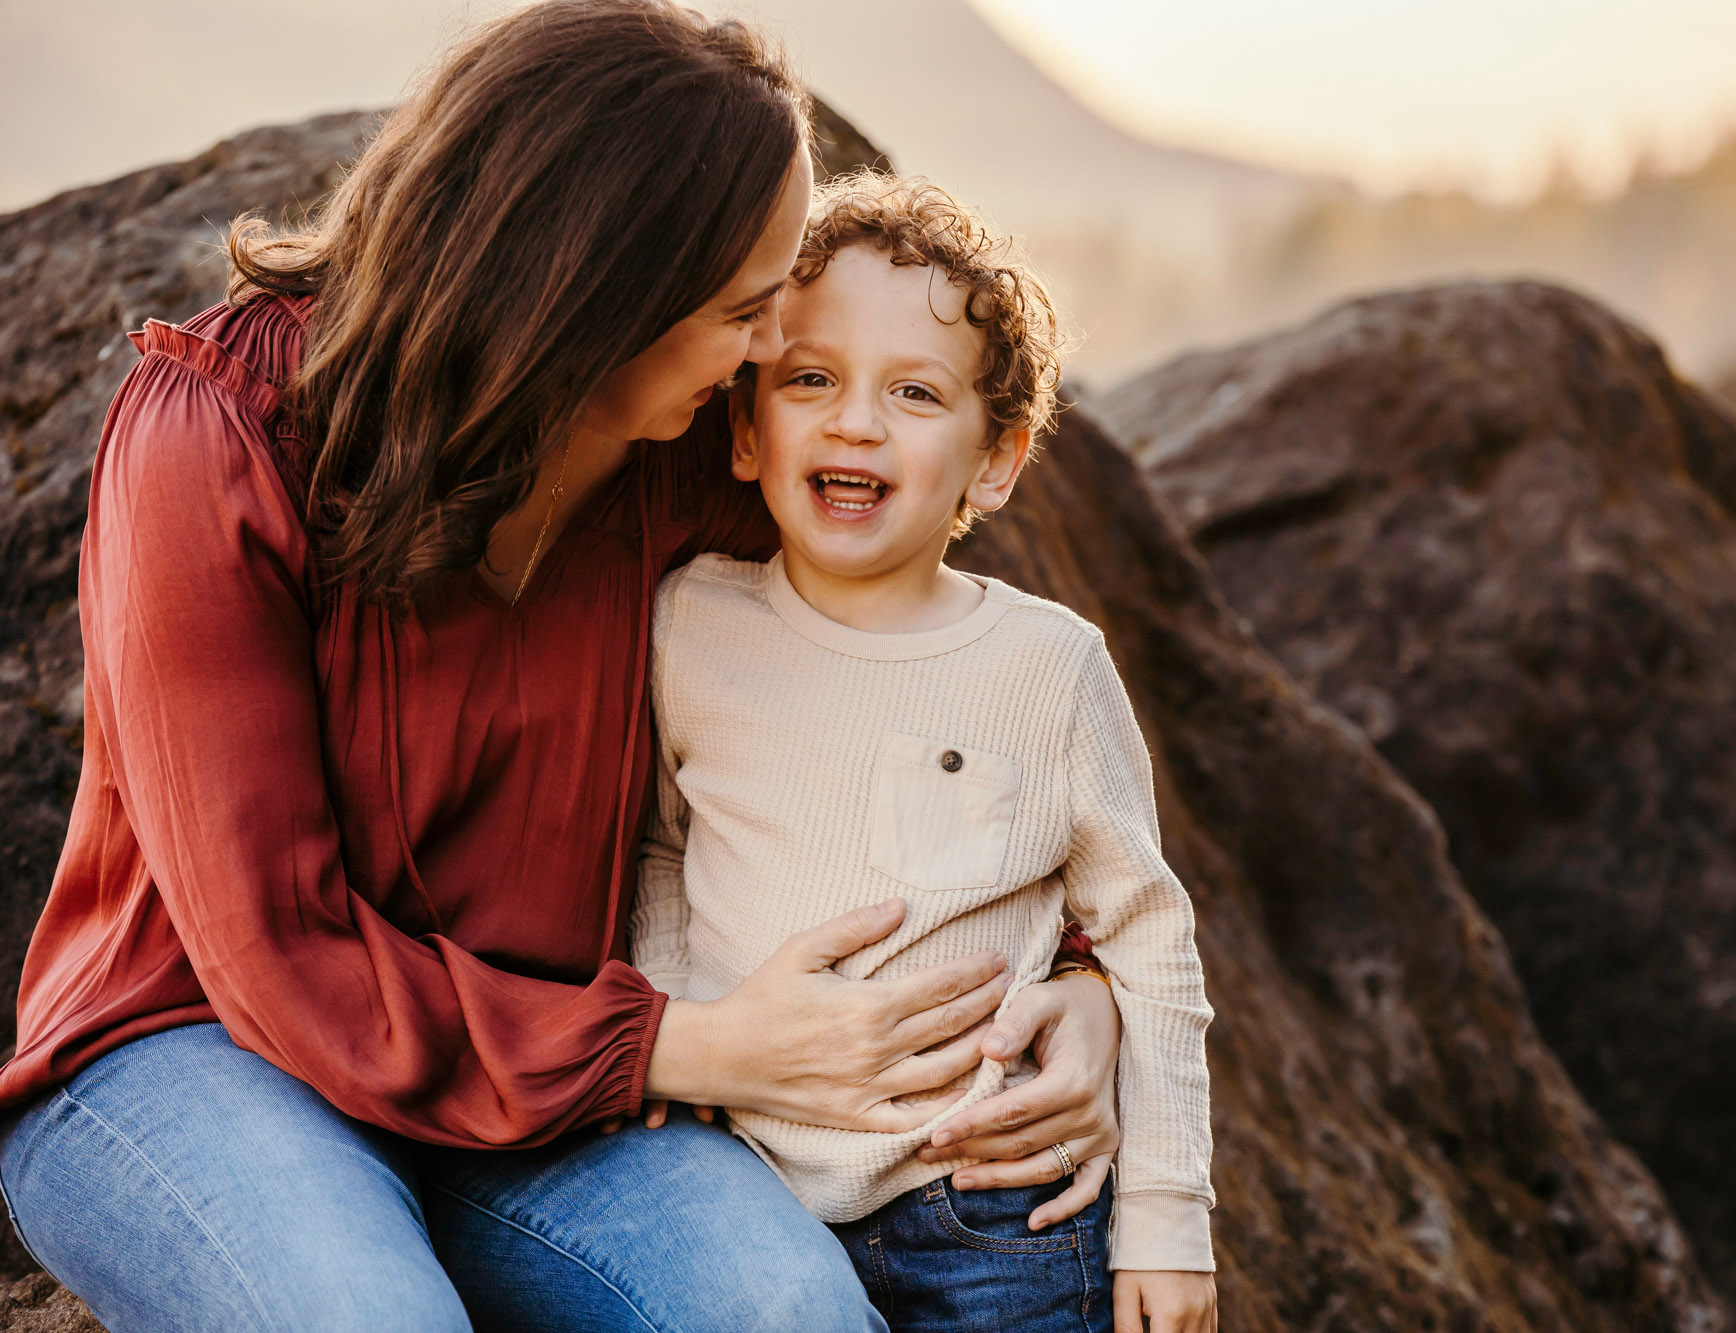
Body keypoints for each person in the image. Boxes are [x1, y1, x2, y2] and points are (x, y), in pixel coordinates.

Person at [0, 4, 1124, 1330]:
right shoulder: (222, 433)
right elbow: (275, 949)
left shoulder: (696, 450)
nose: (772, 356)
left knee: (788, 1312)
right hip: (194, 1048)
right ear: (595, 300)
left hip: (553, 1097)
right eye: (741, 312)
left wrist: (1087, 992)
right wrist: (690, 1044)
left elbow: (951, 676)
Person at [631, 173, 1218, 1333]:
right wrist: (673, 1020)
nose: (855, 420)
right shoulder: (689, 622)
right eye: (811, 381)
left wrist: (1165, 1211)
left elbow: (1150, 939)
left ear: (993, 463)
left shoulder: (1048, 667)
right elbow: (661, 846)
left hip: (994, 1212)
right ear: (745, 432)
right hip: (740, 1193)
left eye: (913, 391)